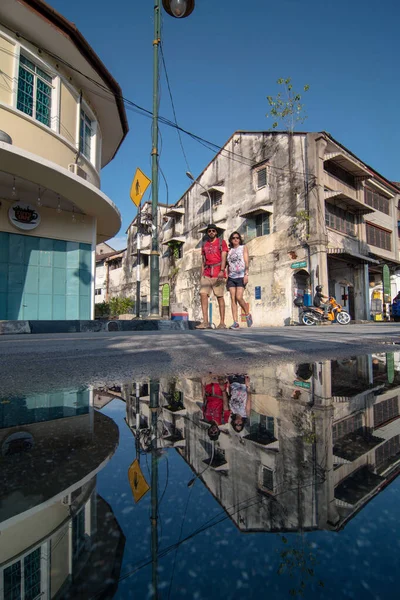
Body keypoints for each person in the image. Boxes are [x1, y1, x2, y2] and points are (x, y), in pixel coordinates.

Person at [196, 224, 228, 329]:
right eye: (209, 231)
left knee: (219, 296)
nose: (211, 232)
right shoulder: (204, 244)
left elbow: (224, 257)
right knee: (203, 294)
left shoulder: (221, 242)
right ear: (207, 232)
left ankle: (222, 322)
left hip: (218, 272)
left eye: (213, 231)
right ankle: (205, 322)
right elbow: (203, 261)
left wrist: (222, 271)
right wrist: (202, 273)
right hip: (207, 273)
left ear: (216, 232)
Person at [226, 231, 252, 329]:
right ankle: (235, 322)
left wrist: (246, 274)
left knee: (239, 297)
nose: (235, 239)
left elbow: (246, 261)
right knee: (233, 299)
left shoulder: (243, 247)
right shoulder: (229, 251)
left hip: (241, 275)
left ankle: (247, 314)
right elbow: (228, 265)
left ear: (240, 239)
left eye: (237, 238)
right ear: (231, 240)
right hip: (231, 277)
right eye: (233, 238)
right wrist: (227, 276)